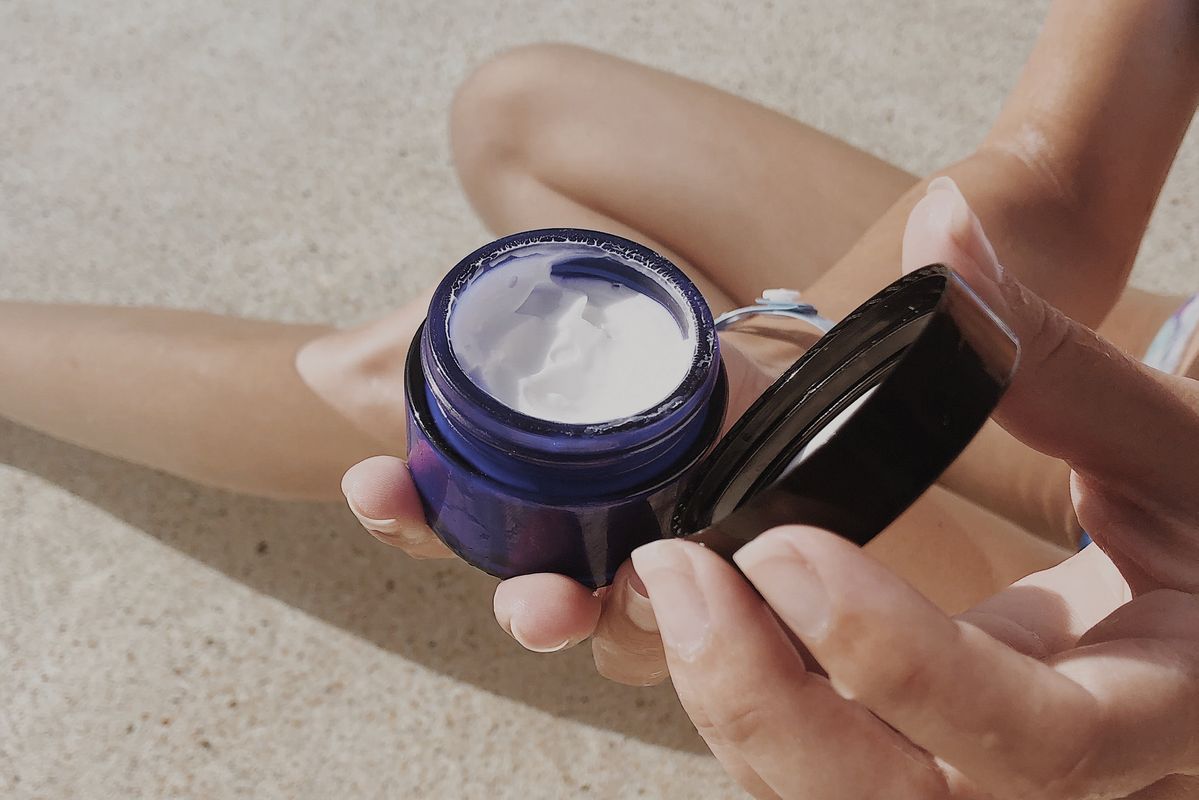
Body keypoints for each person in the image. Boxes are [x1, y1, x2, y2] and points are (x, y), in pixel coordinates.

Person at [0, 0, 1194, 697]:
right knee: (524, 111)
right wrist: (785, 374)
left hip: (1161, 615)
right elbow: (1059, 181)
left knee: (385, 390)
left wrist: (760, 434)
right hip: (1167, 368)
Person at [629, 182, 1199, 799]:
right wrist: (773, 358)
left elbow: (1051, 196)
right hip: (1167, 376)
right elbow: (1050, 193)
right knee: (546, 138)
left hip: (1139, 496)